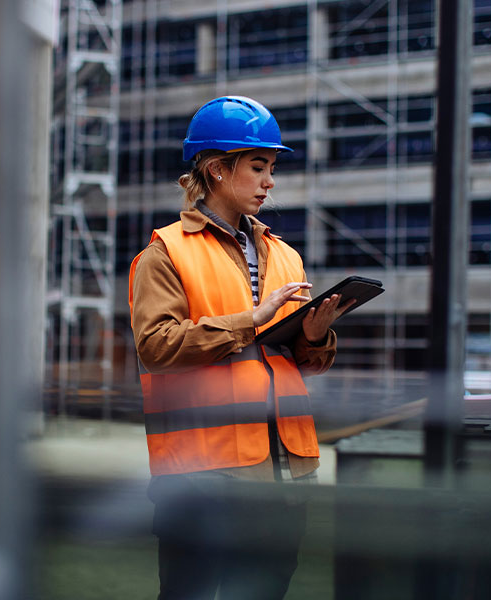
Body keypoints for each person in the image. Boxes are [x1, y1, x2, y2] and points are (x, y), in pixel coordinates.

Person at [128, 95, 353, 599]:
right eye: (258, 166)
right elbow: (155, 346)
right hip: (200, 479)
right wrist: (248, 321)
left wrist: (315, 336)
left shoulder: (286, 256)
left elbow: (296, 364)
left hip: (284, 478)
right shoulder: (164, 254)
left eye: (271, 167)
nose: (270, 181)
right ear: (216, 170)